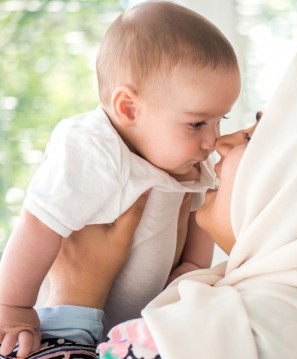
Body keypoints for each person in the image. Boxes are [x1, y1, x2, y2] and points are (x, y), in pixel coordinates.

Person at [4, 44, 297, 358]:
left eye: (253, 134)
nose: (220, 142)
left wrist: (75, 295)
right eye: (199, 124)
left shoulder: (222, 337)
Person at [0, 1, 241, 357]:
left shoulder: (192, 160)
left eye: (220, 120)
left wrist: (187, 278)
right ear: (128, 108)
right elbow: (38, 222)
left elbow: (196, 236)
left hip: (130, 333)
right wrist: (13, 307)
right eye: (197, 123)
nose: (212, 140)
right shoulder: (92, 147)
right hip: (56, 320)